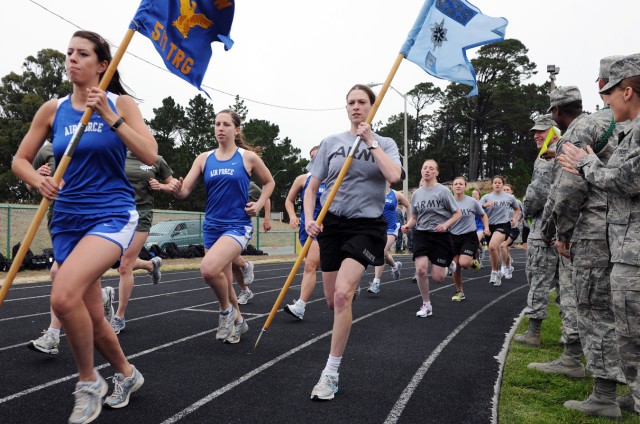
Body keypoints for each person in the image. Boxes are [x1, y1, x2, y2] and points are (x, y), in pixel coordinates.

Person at [12, 30, 150, 423]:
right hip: (67, 222)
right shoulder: (52, 110)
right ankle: (127, 373)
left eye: (82, 54)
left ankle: (89, 382)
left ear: (102, 64)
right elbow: (20, 159)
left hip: (111, 215)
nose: (72, 59)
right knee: (92, 318)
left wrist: (111, 116)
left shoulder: (119, 103)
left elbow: (150, 154)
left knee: (61, 295)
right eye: (69, 53)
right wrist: (37, 180)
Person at [303, 84, 402, 401]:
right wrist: (309, 218)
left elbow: (394, 176)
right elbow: (311, 186)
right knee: (332, 302)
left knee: (343, 297)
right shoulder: (331, 143)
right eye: (351, 102)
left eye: (362, 102)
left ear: (372, 107)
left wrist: (371, 142)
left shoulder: (385, 143)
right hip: (332, 225)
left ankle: (330, 374)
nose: (356, 107)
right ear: (345, 108)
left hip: (367, 226)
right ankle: (349, 286)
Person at [547, 57, 631, 419]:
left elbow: (568, 188)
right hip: (617, 229)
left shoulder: (581, 130)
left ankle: (604, 394)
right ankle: (627, 389)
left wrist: (560, 231)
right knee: (620, 313)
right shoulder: (610, 122)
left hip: (595, 232)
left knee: (595, 310)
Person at [173, 109, 274, 344]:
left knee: (208, 269)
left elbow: (269, 182)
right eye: (217, 124)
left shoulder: (246, 157)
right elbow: (185, 190)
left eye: (226, 124)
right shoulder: (204, 158)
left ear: (236, 130)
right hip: (212, 227)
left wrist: (258, 205)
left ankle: (225, 312)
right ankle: (239, 321)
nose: (220, 128)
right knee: (225, 281)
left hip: (237, 226)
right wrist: (177, 190)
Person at [529, 86, 589, 381]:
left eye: (543, 130)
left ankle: (574, 359)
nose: (538, 136)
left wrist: (557, 231)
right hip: (584, 229)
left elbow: (557, 193)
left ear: (557, 114)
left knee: (572, 293)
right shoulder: (593, 129)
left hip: (571, 230)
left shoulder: (570, 140)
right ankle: (576, 357)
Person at [108, 152, 178, 334]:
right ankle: (150, 265)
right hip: (115, 213)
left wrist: (161, 186)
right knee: (116, 261)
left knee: (124, 266)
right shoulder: (115, 154)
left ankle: (119, 317)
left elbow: (173, 186)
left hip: (141, 214)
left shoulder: (156, 159)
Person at [514, 114, 560, 347]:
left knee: (539, 279)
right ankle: (570, 336)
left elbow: (537, 194)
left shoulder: (546, 158)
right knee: (565, 285)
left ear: (554, 132)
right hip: (565, 230)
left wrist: (527, 210)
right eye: (534, 131)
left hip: (544, 230)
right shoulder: (568, 151)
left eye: (542, 130)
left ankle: (533, 332)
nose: (536, 135)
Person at [401, 159, 461, 316]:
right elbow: (414, 217)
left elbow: (457, 213)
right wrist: (408, 226)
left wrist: (446, 225)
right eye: (424, 168)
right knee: (420, 270)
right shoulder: (416, 194)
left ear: (436, 172)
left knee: (438, 278)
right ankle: (426, 305)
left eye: (431, 168)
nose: (427, 170)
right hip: (421, 234)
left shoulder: (443, 192)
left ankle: (449, 263)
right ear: (422, 171)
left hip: (440, 235)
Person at [283, 145, 325, 320]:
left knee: (310, 265)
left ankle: (300, 305)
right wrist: (293, 216)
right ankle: (347, 281)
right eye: (312, 157)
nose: (315, 160)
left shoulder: (333, 179)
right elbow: (289, 200)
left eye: (318, 156)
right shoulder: (303, 179)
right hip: (305, 228)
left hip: (324, 229)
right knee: (319, 265)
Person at [367, 182, 411, 294]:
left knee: (381, 251)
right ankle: (395, 266)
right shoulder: (374, 192)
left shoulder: (395, 194)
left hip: (391, 228)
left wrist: (409, 223)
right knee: (383, 252)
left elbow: (408, 205)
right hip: (377, 228)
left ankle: (376, 283)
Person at [449, 176, 489, 301]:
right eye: (456, 184)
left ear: (465, 186)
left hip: (469, 237)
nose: (458, 186)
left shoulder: (472, 201)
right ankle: (459, 291)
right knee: (454, 266)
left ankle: (473, 262)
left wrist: (486, 227)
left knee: (464, 263)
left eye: (461, 184)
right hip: (453, 237)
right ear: (452, 187)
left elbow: (483, 215)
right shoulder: (448, 202)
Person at [233, 180, 272, 305]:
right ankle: (245, 291)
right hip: (222, 225)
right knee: (232, 263)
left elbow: (266, 198)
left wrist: (266, 220)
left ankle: (246, 266)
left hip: (240, 226)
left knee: (230, 257)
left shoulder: (247, 184)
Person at [479, 176, 520, 287]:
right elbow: (477, 209)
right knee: (493, 251)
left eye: (499, 182)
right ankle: (496, 271)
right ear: (492, 184)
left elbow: (517, 209)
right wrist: (484, 205)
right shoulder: (486, 197)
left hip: (503, 225)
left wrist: (514, 219)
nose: (497, 184)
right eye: (495, 183)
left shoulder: (509, 197)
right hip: (489, 225)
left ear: (503, 184)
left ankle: (493, 273)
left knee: (492, 246)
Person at [498, 184, 522, 279]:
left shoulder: (517, 202)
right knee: (505, 249)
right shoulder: (500, 202)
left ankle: (503, 266)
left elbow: (523, 213)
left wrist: (516, 220)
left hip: (513, 229)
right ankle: (508, 267)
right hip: (503, 228)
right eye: (504, 190)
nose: (506, 191)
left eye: (508, 189)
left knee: (502, 246)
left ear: (511, 191)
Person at [471, 188, 487, 262]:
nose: (474, 195)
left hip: (480, 226)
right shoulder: (469, 203)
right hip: (470, 226)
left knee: (475, 241)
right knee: (474, 245)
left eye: (476, 194)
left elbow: (483, 206)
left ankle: (481, 249)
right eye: (473, 194)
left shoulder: (481, 204)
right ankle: (478, 259)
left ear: (479, 196)